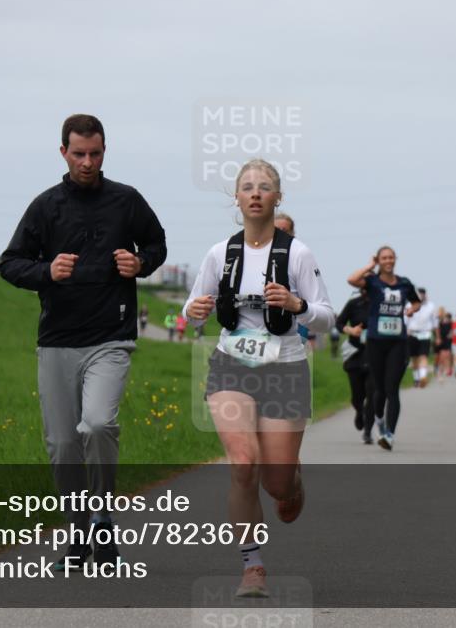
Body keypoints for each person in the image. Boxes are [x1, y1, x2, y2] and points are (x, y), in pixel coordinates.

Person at [0, 113, 167, 570]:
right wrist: (46, 272)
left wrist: (140, 263)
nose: (87, 162)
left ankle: (102, 516)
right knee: (62, 444)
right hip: (57, 339)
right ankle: (78, 527)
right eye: (78, 154)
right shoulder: (45, 207)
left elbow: (157, 244)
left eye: (94, 153)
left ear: (104, 151)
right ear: (63, 153)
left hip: (110, 337)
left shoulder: (126, 201)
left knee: (96, 425)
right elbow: (9, 263)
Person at [183, 159, 334, 598]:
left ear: (277, 197)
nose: (255, 193)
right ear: (236, 197)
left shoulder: (298, 254)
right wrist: (193, 313)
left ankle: (292, 480)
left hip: (285, 370)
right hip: (232, 366)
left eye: (264, 187)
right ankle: (253, 566)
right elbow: (192, 310)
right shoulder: (220, 253)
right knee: (243, 464)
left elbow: (327, 318)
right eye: (247, 186)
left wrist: (295, 304)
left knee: (276, 483)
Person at [346, 246, 421, 450]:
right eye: (384, 258)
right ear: (379, 260)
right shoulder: (372, 282)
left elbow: (416, 302)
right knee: (378, 389)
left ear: (395, 259)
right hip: (375, 341)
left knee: (392, 389)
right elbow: (352, 279)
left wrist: (412, 309)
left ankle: (389, 434)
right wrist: (371, 265)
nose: (388, 260)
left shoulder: (405, 283)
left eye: (390, 257)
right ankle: (379, 421)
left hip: (398, 341)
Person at [336, 287, 375, 443]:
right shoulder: (353, 303)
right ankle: (359, 410)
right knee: (357, 396)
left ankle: (368, 431)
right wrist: (350, 330)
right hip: (355, 354)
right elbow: (339, 323)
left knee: (372, 395)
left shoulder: (382, 304)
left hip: (375, 355)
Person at [405, 288, 438, 388]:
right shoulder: (409, 305)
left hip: (425, 334)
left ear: (425, 295)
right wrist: (406, 331)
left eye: (423, 294)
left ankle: (423, 377)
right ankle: (416, 378)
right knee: (414, 358)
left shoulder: (431, 306)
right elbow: (405, 319)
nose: (421, 296)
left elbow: (435, 323)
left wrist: (437, 337)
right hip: (412, 333)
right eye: (419, 295)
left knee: (423, 356)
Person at [435, 309, 453, 379]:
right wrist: (438, 338)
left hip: (447, 340)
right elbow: (436, 329)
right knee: (440, 356)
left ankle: (447, 369)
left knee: (447, 355)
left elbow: (452, 329)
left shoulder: (449, 322)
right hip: (440, 340)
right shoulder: (437, 321)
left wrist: (451, 334)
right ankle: (439, 369)